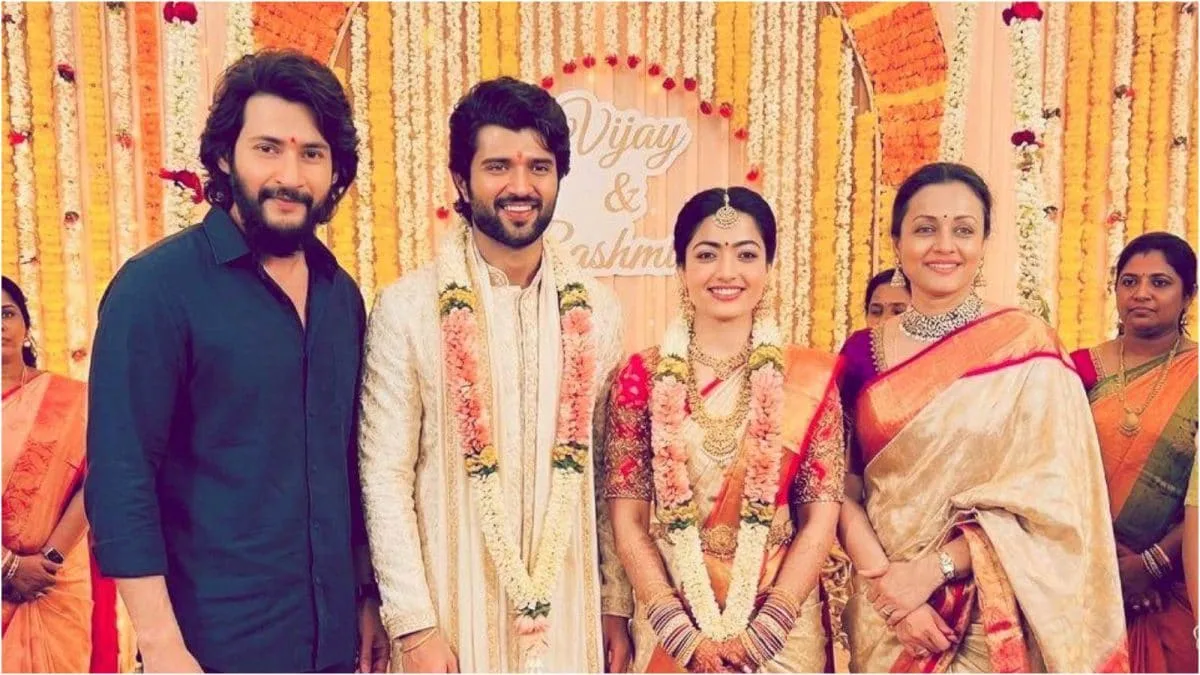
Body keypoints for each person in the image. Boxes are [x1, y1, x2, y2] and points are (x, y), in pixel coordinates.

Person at [84, 50, 387, 673]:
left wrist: (365, 595)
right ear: (225, 155)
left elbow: (346, 463)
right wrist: (161, 646)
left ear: (335, 169)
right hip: (212, 650)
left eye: (312, 153)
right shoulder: (157, 289)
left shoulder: (341, 296)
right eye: (268, 148)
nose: (290, 175)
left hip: (333, 648)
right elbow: (120, 479)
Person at [357, 77, 633, 673]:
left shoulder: (598, 311)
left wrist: (614, 603)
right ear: (462, 180)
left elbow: (606, 469)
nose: (520, 186)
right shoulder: (408, 308)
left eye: (539, 167)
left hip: (570, 615)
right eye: (498, 166)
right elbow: (384, 474)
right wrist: (414, 625)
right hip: (451, 624)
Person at [836, 162, 1129, 672]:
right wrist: (890, 588)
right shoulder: (861, 353)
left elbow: (1059, 499)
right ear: (897, 242)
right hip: (887, 613)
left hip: (993, 612)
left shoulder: (1027, 346)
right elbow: (838, 487)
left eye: (963, 230)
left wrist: (934, 569)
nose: (944, 245)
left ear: (983, 242)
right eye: (925, 228)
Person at [604, 187, 846, 673]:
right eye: (707, 254)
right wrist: (678, 632)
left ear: (768, 267)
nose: (727, 272)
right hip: (672, 616)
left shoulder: (808, 378)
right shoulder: (641, 376)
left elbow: (820, 520)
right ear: (681, 268)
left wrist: (768, 630)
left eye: (746, 255)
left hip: (783, 629)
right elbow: (627, 521)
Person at [1070, 232, 1197, 673]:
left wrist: (1152, 564)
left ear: (1188, 295)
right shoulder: (1075, 369)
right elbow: (1046, 470)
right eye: (1129, 281)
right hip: (1079, 573)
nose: (1141, 293)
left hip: (1176, 582)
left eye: (1159, 282)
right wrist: (1106, 564)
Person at [1, 277, 92, 672]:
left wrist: (48, 560)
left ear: (26, 325)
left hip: (53, 582)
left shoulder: (73, 400)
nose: (0, 325)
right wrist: (8, 567)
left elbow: (99, 481)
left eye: (7, 313)